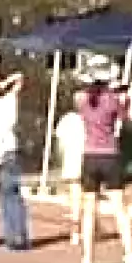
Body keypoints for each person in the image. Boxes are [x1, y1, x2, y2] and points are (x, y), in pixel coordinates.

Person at [73, 59, 132, 263]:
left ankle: (87, 260)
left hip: (90, 155)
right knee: (120, 208)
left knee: (89, 210)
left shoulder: (81, 100)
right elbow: (129, 120)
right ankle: (129, 255)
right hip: (110, 155)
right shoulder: (113, 100)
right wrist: (131, 98)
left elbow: (85, 92)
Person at [0, 72, 31, 251]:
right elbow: (20, 78)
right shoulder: (9, 102)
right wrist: (6, 83)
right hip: (8, 153)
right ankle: (18, 236)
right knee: (12, 197)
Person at [54, 104, 86, 244]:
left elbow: (60, 143)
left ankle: (76, 230)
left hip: (71, 159)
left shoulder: (66, 119)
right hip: (88, 157)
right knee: (88, 195)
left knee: (75, 195)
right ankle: (84, 228)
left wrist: (61, 158)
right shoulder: (90, 117)